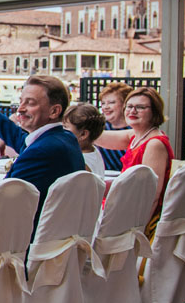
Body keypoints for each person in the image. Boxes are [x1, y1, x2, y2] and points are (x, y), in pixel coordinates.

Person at [0, 74, 84, 237]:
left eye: (30, 103)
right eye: (21, 101)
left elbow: (1, 200)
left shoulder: (43, 151)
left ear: (54, 111)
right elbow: (18, 138)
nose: (20, 109)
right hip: (59, 234)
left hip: (26, 239)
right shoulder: (64, 138)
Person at [95, 86, 173, 239]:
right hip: (124, 204)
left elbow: (152, 195)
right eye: (129, 106)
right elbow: (98, 137)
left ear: (154, 112)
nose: (132, 111)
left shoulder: (154, 143)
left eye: (140, 107)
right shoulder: (136, 135)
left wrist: (137, 232)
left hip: (133, 215)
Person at [63, 103, 106, 176]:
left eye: (65, 127)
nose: (61, 130)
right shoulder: (92, 150)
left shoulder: (80, 163)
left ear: (83, 134)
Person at [97, 82, 132, 171]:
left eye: (111, 102)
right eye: (103, 103)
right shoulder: (98, 127)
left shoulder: (135, 130)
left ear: (125, 104)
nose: (105, 107)